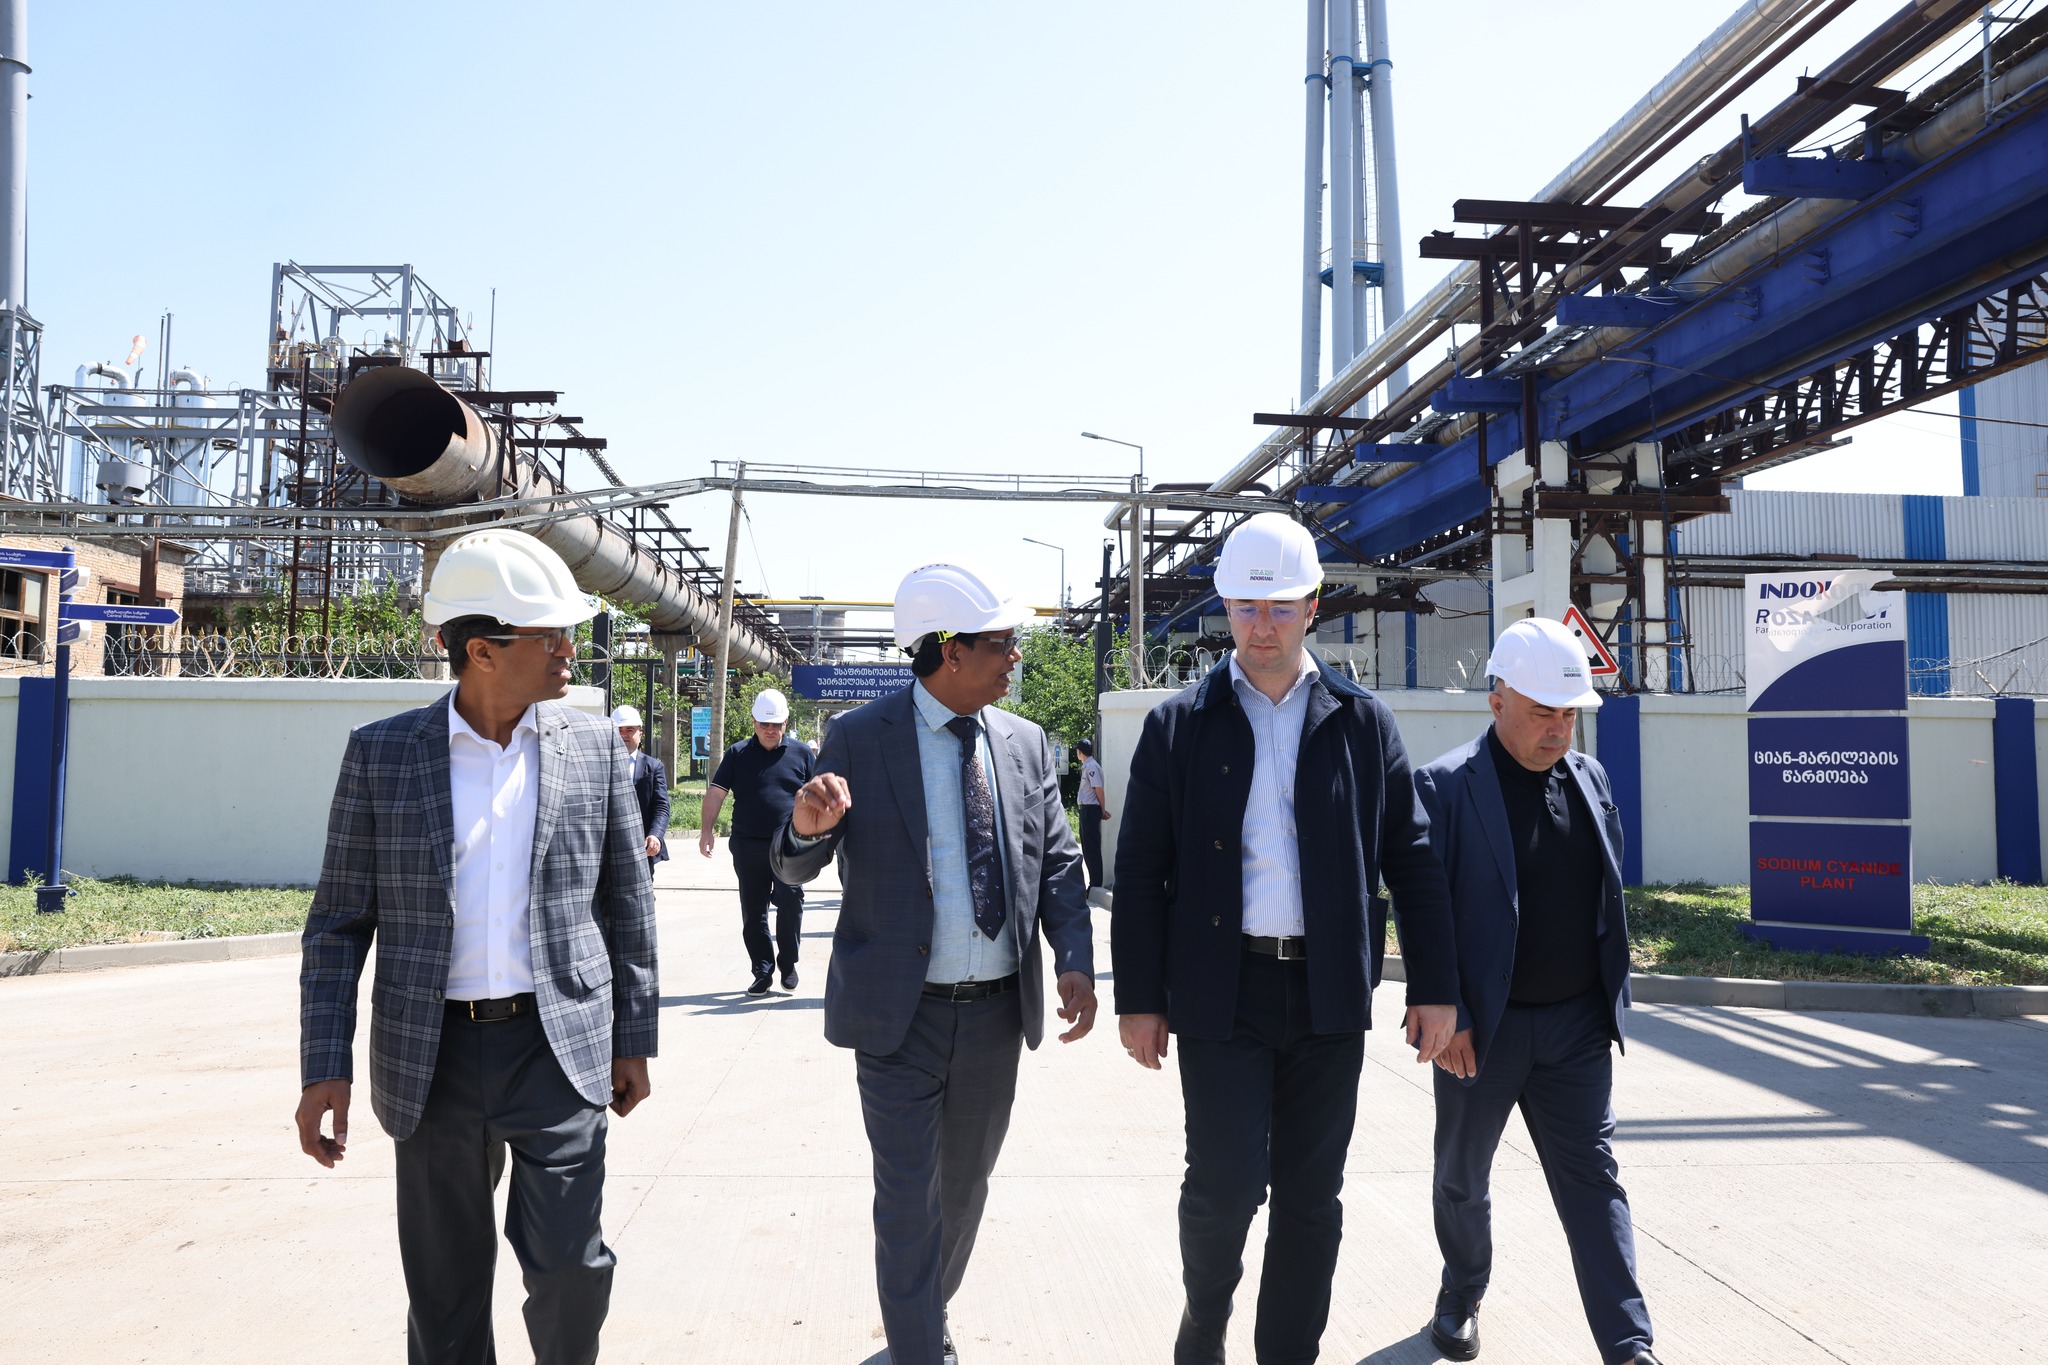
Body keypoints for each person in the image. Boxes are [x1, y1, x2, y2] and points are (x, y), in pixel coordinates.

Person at [294, 527, 659, 1365]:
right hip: (432, 1058)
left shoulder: (593, 750)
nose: (569, 650)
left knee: (571, 1268)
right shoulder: (383, 755)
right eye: (550, 635)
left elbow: (627, 905)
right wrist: (325, 1066)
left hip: (556, 1047)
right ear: (483, 651)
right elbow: (338, 922)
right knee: (445, 1292)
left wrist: (634, 1037)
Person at [1112, 512, 1462, 1365]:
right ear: (1226, 609)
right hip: (1220, 993)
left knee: (1311, 1199)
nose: (1260, 626)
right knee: (1224, 1187)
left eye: (1277, 607)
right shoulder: (1179, 725)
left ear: (1312, 607)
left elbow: (1412, 858)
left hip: (1325, 995)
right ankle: (1204, 1321)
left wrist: (1436, 986)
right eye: (1245, 607)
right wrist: (1141, 999)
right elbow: (1141, 871)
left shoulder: (1361, 722)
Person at [771, 562, 1097, 1365]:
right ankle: (920, 1347)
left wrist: (1074, 959)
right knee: (907, 1198)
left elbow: (1058, 863)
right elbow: (795, 865)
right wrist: (806, 828)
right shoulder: (859, 737)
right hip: (899, 1016)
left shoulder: (1024, 742)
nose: (1015, 657)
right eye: (1002, 643)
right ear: (950, 651)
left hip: (995, 1015)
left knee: (964, 1189)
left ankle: (924, 1313)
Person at [1413, 617, 1664, 1365]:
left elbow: (1604, 895)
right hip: (1480, 1035)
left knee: (1594, 1181)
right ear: (1497, 702)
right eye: (1542, 712)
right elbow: (1424, 911)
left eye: (1569, 714)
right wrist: (1448, 1009)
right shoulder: (1445, 786)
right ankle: (1461, 1292)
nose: (1558, 728)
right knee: (1462, 1177)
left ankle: (1629, 1344)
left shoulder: (1591, 780)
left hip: (1575, 1027)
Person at [701, 688, 814, 994]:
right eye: (765, 724)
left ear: (786, 722)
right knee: (754, 911)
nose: (770, 730)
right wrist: (706, 830)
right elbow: (716, 793)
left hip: (790, 845)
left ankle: (788, 963)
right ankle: (762, 970)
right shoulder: (738, 753)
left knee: (791, 901)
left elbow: (817, 794)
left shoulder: (803, 753)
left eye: (776, 724)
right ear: (754, 722)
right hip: (748, 844)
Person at [612, 704, 670, 876]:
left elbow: (661, 807)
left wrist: (655, 835)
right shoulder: (600, 765)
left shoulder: (653, 767)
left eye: (630, 730)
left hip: (641, 849)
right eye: (619, 730)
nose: (624, 734)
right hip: (607, 849)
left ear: (640, 734)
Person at [1074, 737, 1110, 889]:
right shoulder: (1087, 766)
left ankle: (1095, 884)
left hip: (1090, 810)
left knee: (1092, 849)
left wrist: (1102, 810)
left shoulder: (1091, 767)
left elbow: (1098, 789)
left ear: (1080, 752)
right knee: (1087, 848)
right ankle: (1093, 884)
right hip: (1086, 810)